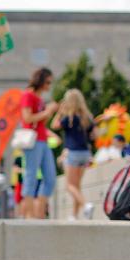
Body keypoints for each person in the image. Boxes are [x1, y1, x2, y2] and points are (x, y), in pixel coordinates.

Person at [18, 68, 58, 219]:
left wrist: (49, 112)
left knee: (50, 178)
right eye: (48, 82)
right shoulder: (28, 95)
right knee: (30, 176)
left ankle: (38, 212)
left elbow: (42, 121)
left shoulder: (40, 99)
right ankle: (26, 214)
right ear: (40, 80)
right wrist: (48, 111)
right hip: (32, 140)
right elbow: (27, 118)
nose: (49, 85)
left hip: (43, 139)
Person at [55, 89, 95, 220]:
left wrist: (60, 111)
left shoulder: (68, 118)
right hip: (85, 153)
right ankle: (74, 215)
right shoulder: (87, 118)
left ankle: (85, 205)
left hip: (72, 152)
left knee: (70, 186)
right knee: (76, 186)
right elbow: (94, 135)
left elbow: (54, 125)